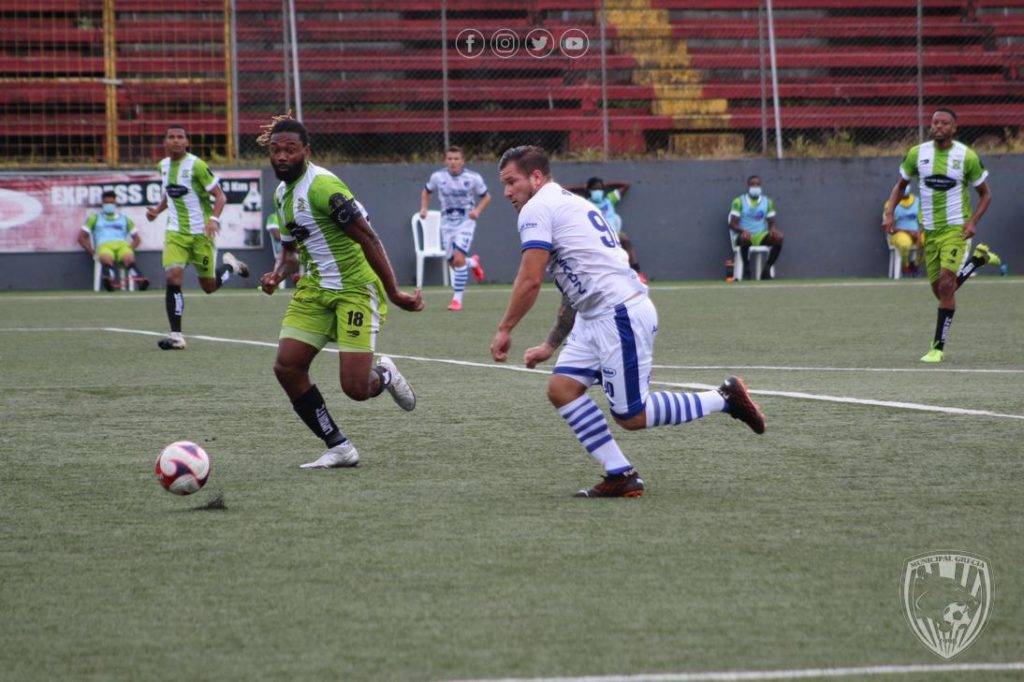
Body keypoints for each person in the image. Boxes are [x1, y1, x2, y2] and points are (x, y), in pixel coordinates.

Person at [490, 145, 765, 498]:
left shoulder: (537, 209)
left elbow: (530, 278)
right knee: (562, 389)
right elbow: (576, 283)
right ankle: (620, 474)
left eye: (512, 182)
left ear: (537, 177)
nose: (507, 193)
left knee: (632, 415)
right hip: (597, 315)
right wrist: (550, 345)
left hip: (618, 313)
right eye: (504, 185)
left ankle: (724, 397)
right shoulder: (568, 204)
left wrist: (505, 329)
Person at [258, 114, 424, 469]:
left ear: (306, 151)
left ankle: (385, 375)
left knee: (356, 388)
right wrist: (276, 274)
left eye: (290, 149)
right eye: (276, 150)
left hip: (354, 289)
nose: (282, 156)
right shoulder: (281, 193)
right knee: (287, 367)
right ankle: (339, 446)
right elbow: (290, 251)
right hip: (315, 289)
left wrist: (393, 292)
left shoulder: (324, 188)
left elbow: (368, 238)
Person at [883, 108, 1001, 363]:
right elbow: (900, 186)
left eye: (944, 123)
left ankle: (937, 347)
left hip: (955, 229)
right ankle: (978, 261)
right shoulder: (918, 153)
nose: (938, 127)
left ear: (954, 128)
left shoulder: (966, 156)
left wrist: (972, 222)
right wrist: (889, 212)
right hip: (930, 231)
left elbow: (986, 194)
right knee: (940, 291)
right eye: (935, 122)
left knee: (947, 285)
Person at [146, 124, 250, 350]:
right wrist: (157, 210)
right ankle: (176, 336)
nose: (175, 141)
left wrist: (214, 220)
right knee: (173, 277)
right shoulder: (163, 166)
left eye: (180, 137)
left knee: (209, 286)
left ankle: (231, 267)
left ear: (187, 142)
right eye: (171, 137)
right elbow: (169, 191)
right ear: (165, 142)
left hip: (201, 235)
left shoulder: (197, 166)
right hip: (175, 233)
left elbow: (220, 197)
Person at [419, 146, 489, 311]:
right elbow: (426, 192)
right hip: (447, 222)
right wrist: (424, 208)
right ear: (445, 161)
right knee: (452, 262)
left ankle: (457, 299)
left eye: (456, 159)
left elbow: (486, 196)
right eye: (450, 159)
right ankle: (472, 262)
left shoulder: (473, 178)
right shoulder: (438, 177)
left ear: (462, 161)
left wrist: (477, 211)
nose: (453, 162)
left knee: (458, 259)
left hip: (465, 221)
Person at [567, 177, 646, 283]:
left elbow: (625, 185)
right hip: (596, 236)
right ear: (589, 190)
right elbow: (563, 190)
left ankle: (637, 272)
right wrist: (581, 188)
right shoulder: (585, 203)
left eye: (600, 189)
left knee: (626, 241)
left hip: (613, 234)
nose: (597, 192)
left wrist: (607, 185)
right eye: (595, 189)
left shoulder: (609, 199)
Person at [78, 190, 148, 291]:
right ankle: (109, 281)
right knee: (106, 257)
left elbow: (137, 238)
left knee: (128, 257)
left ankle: (140, 281)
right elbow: (81, 237)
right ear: (102, 203)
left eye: (111, 203)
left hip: (122, 246)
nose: (109, 205)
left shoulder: (124, 218)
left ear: (115, 203)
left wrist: (130, 248)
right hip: (104, 246)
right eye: (106, 203)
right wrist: (92, 251)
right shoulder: (95, 218)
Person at [729, 175, 783, 280]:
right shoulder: (738, 201)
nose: (755, 187)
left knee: (779, 237)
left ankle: (767, 269)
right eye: (752, 184)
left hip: (760, 236)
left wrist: (772, 229)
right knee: (744, 238)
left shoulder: (768, 202)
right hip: (744, 235)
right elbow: (732, 223)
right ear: (748, 186)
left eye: (757, 184)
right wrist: (742, 230)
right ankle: (747, 268)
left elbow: (771, 221)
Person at [883, 185, 924, 277]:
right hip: (899, 233)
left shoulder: (918, 202)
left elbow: (924, 221)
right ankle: (906, 265)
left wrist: (920, 231)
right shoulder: (890, 205)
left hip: (917, 232)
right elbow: (889, 227)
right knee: (904, 243)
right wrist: (909, 232)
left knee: (928, 241)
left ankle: (916, 265)